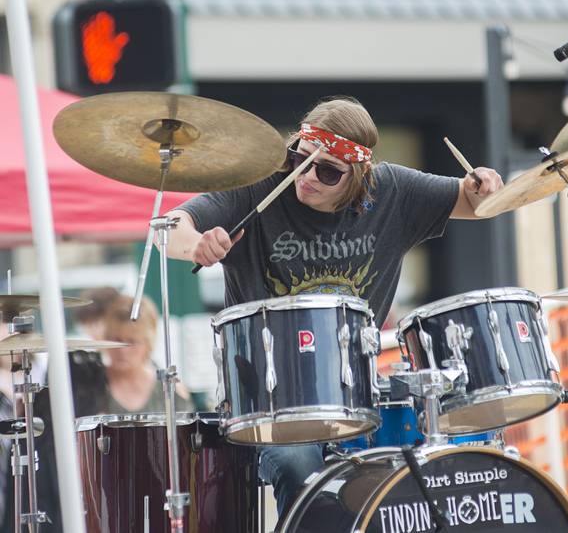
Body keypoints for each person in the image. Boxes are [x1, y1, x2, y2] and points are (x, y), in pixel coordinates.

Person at [164, 96, 504, 517]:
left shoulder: (392, 192)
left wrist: (486, 184)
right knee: (300, 469)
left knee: (435, 450)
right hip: (267, 399)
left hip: (356, 389)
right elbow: (168, 228)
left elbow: (476, 203)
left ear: (358, 174)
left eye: (327, 172)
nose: (306, 177)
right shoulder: (257, 188)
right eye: (300, 160)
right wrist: (196, 244)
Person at [102, 295, 193, 414]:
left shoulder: (171, 391)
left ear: (149, 342)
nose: (122, 350)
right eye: (116, 339)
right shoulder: (89, 387)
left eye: (132, 341)